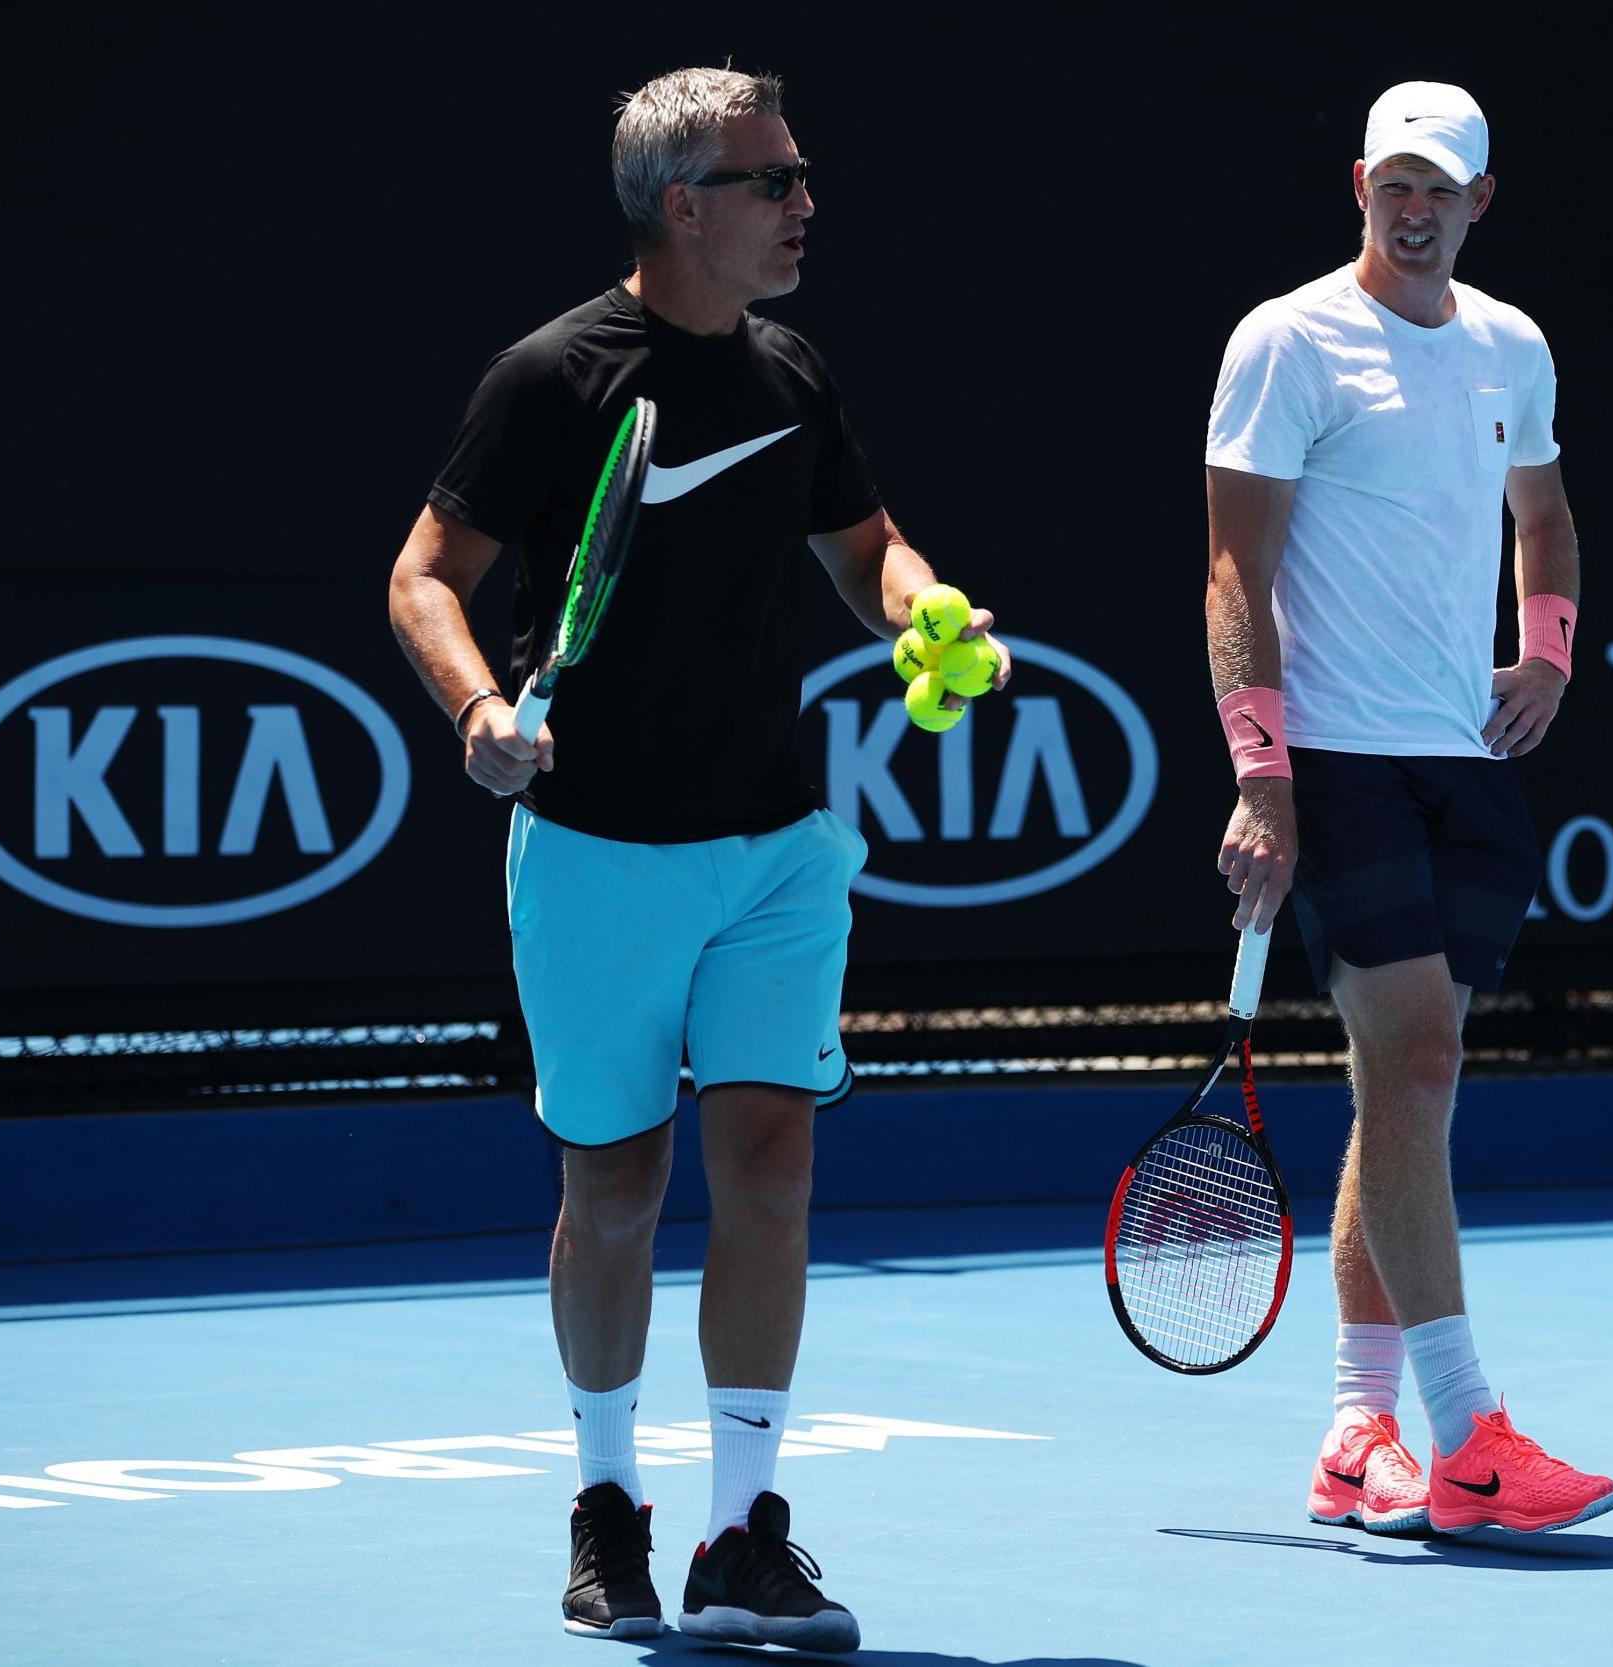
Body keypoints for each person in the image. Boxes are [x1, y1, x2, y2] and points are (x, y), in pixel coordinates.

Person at [387, 66, 1006, 1650]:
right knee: (615, 1186)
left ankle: (743, 1535)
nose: (803, 204)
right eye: (772, 181)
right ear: (683, 206)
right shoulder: (552, 375)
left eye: (797, 177)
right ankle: (609, 1503)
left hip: (777, 846)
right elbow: (424, 577)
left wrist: (922, 610)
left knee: (773, 1166)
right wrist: (474, 709)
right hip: (597, 848)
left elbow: (867, 547)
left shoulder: (793, 371)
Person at [1203, 80, 1613, 1537]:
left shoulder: (1510, 344)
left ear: (1479, 200)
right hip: (1334, 755)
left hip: (1465, 761)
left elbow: (1544, 512)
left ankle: (1349, 1431)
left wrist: (1547, 653)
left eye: (1439, 185)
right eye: (1394, 180)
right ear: (1358, 185)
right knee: (1418, 1062)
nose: (1415, 205)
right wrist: (1262, 769)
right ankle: (1471, 1441)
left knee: (1409, 1097)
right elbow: (1230, 572)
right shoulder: (1286, 339)